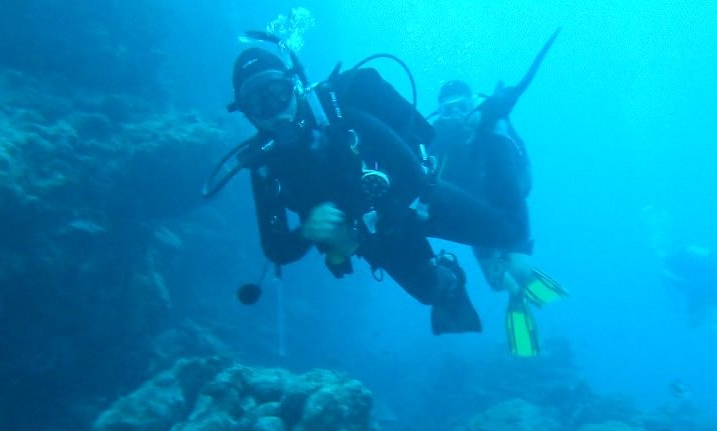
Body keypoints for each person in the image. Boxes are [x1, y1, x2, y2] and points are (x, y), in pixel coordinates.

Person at [225, 45, 530, 334]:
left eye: (277, 93)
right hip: (374, 233)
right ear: (245, 112)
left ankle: (495, 129)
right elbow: (275, 248)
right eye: (255, 103)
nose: (273, 110)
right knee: (429, 292)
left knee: (511, 232)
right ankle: (450, 277)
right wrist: (308, 230)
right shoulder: (266, 165)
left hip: (415, 200)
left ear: (292, 86)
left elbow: (414, 168)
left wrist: (390, 208)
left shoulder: (338, 114)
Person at [428, 79, 566, 356]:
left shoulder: (490, 125)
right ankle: (518, 297)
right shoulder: (437, 138)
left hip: (507, 207)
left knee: (520, 270)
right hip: (472, 214)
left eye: (462, 107)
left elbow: (521, 169)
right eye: (447, 110)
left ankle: (529, 283)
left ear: (473, 105)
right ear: (440, 113)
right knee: (495, 283)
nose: (455, 115)